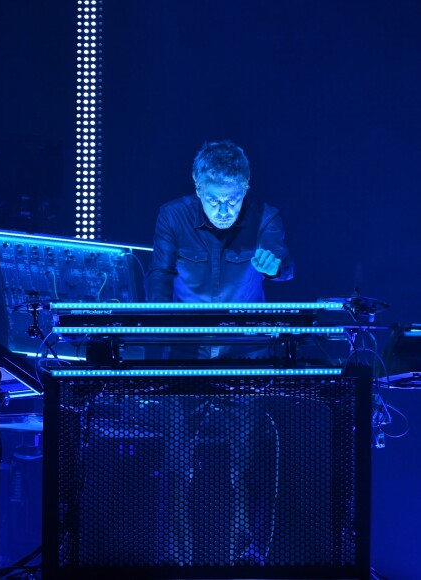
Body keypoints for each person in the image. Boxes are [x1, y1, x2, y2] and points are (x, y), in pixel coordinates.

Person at [142, 140, 295, 566]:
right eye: (214, 199)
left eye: (233, 200)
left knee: (245, 467)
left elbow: (285, 263)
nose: (224, 211)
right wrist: (154, 326)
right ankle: (175, 561)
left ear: (246, 188)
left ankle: (245, 561)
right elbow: (160, 274)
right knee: (175, 465)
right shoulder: (173, 215)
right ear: (196, 184)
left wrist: (275, 266)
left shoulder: (265, 216)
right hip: (187, 352)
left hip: (243, 355)